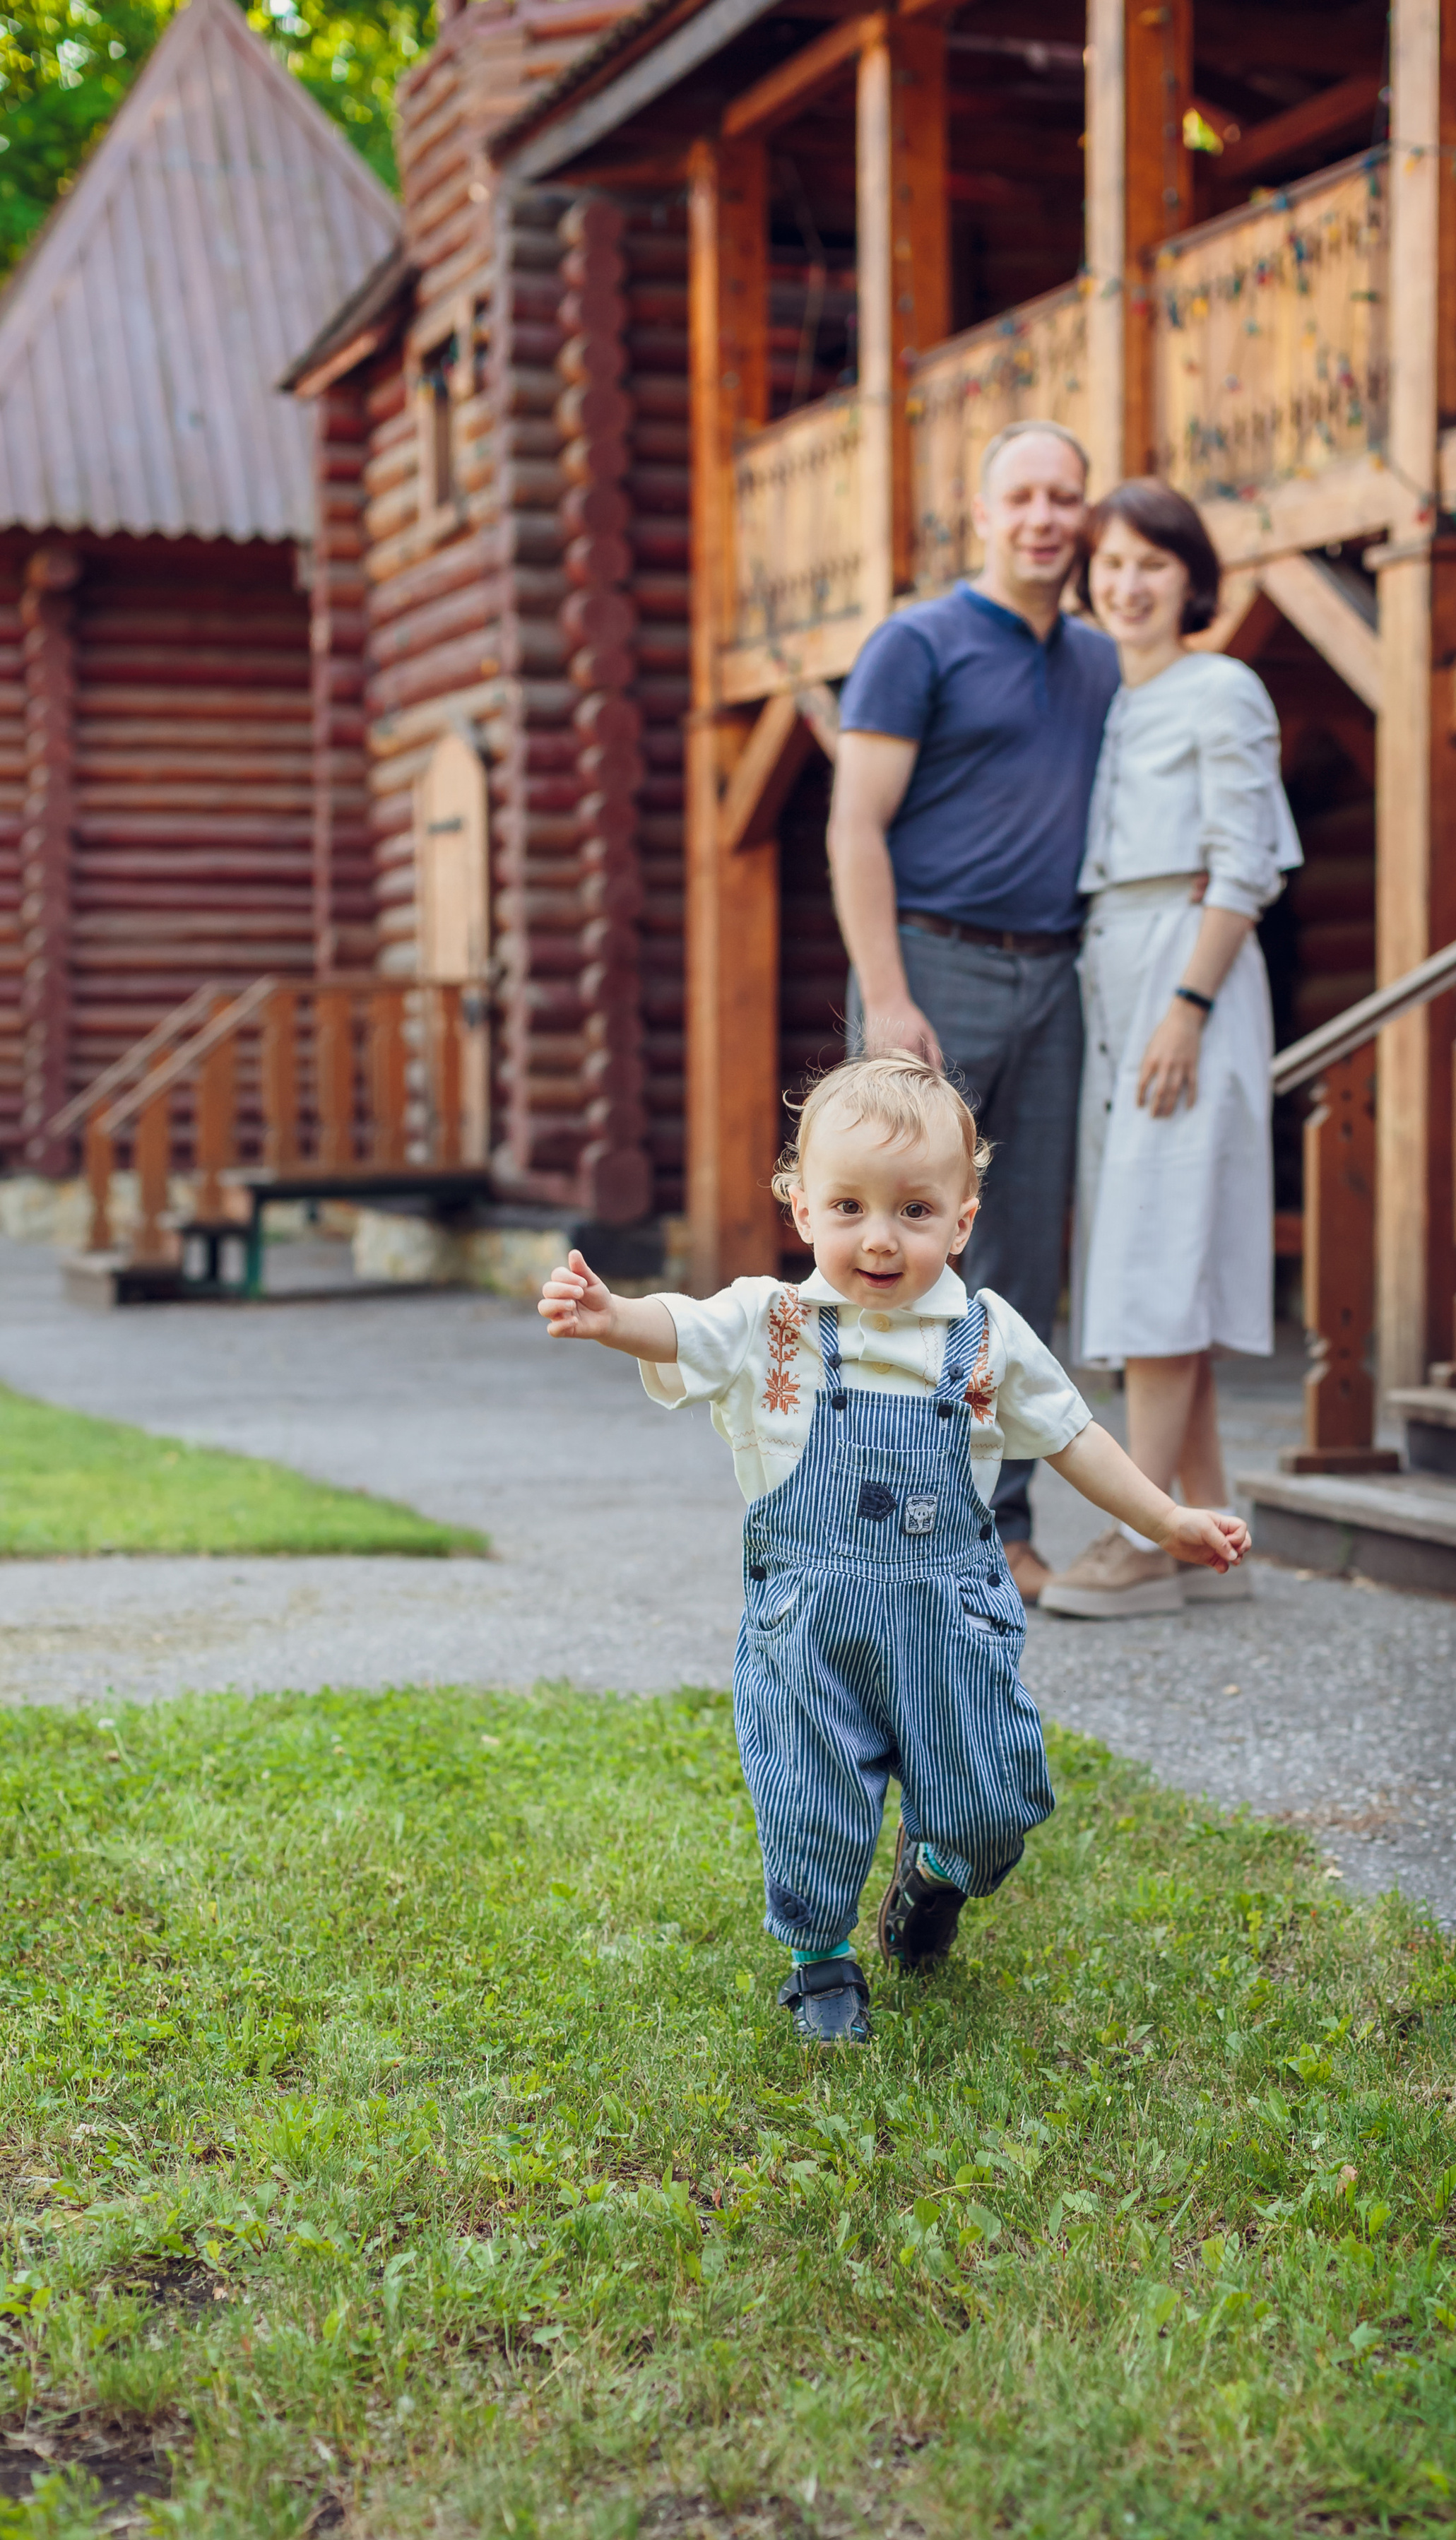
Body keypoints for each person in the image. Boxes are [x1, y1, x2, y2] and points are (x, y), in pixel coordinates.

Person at [539, 1053, 1250, 2045]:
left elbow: (1075, 1436)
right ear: (802, 1210)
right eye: (849, 1208)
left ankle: (937, 1873)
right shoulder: (770, 1325)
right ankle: (820, 1961)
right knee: (811, 1801)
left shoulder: (986, 1337)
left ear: (962, 1219)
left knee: (994, 1798)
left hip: (949, 1624)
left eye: (914, 1212)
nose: (880, 1239)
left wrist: (1163, 1518)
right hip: (813, 1626)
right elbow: (682, 1329)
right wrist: (616, 1319)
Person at [827, 419, 1120, 1607]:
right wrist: (888, 999)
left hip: (1054, 978)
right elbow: (854, 826)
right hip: (928, 974)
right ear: (983, 516)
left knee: (1013, 1268)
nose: (1047, 517)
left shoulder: (1100, 662)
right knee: (884, 1256)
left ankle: (999, 1532)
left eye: (1066, 497)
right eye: (1025, 497)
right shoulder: (917, 643)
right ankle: (862, 1520)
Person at [1040, 480, 1301, 1623]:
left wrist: (1188, 1002)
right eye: (1108, 563)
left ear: (1192, 579)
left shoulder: (1223, 687)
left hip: (1185, 971)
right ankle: (1210, 1527)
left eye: (1152, 563)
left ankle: (1138, 1536)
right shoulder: (1106, 696)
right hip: (1114, 961)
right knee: (1151, 1243)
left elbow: (1246, 860)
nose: (1126, 583)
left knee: (1157, 1248)